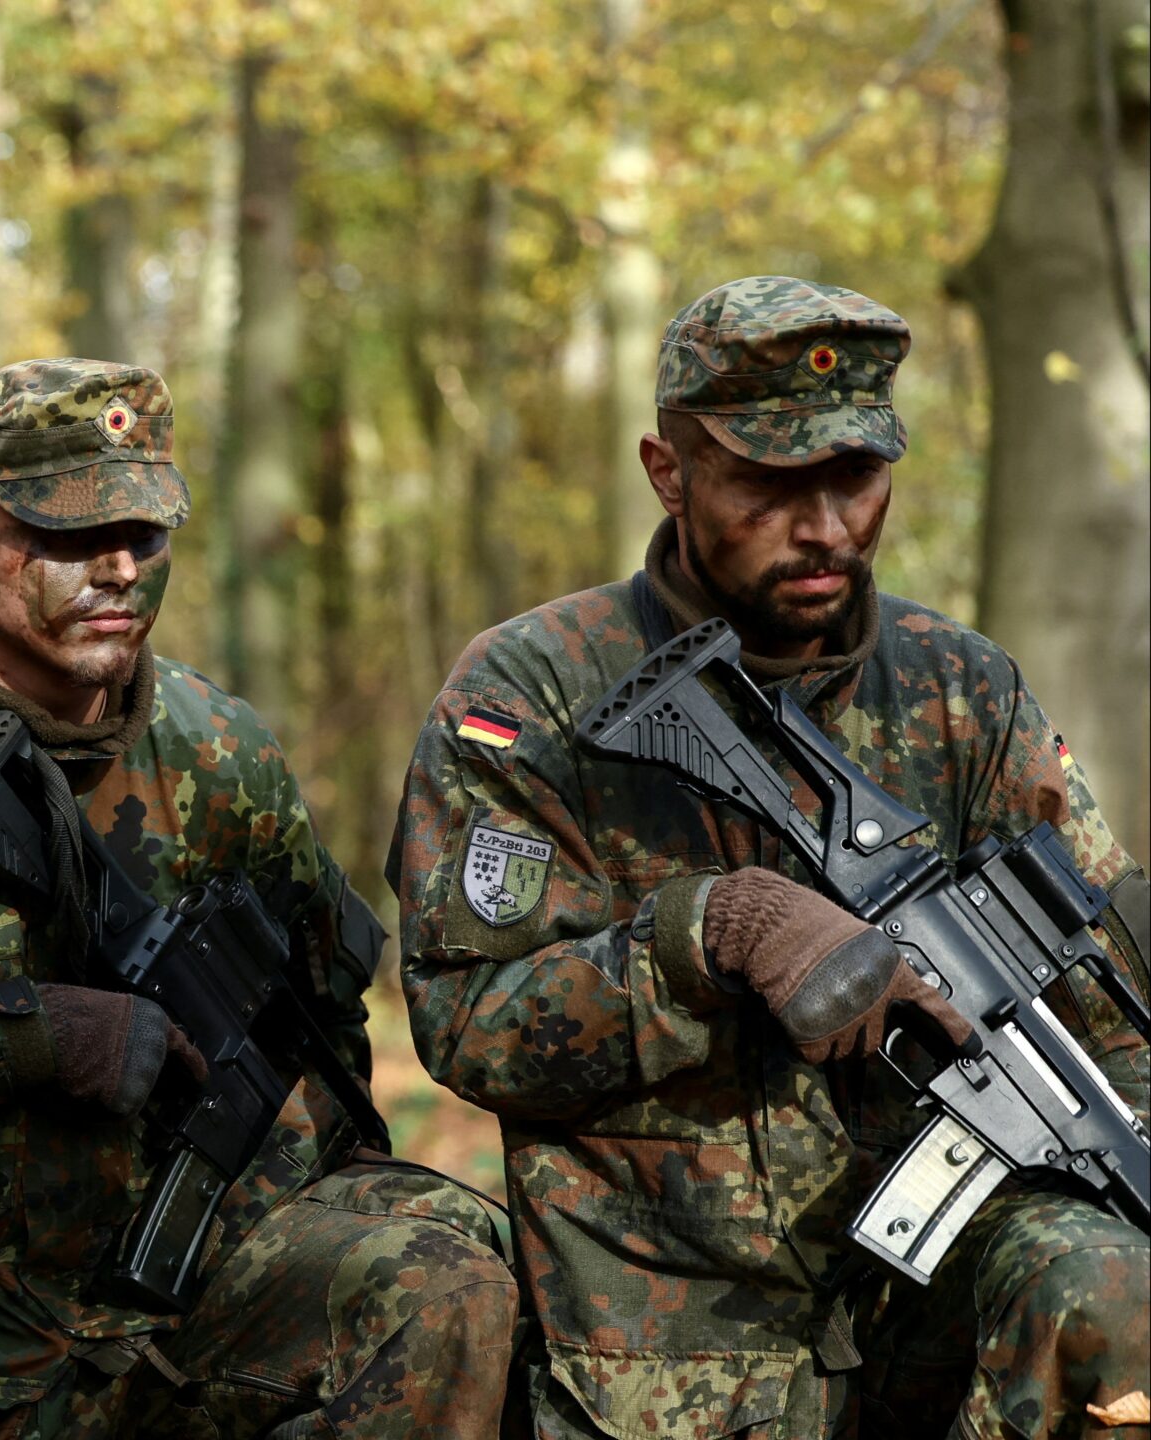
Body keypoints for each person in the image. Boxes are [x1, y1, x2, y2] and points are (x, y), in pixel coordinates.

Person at [390, 275, 1150, 1437]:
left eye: (856, 477)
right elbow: (466, 1021)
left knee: (1115, 1288)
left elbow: (1113, 1013)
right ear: (668, 472)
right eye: (770, 485)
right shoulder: (530, 694)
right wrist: (706, 936)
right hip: (664, 1347)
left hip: (937, 1315)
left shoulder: (962, 688)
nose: (828, 528)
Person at [0, 356, 520, 1439]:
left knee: (444, 1279)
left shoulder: (220, 748)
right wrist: (8, 1045)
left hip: (195, 1301)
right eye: (67, 535)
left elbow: (321, 1030)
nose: (120, 569)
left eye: (145, 533)